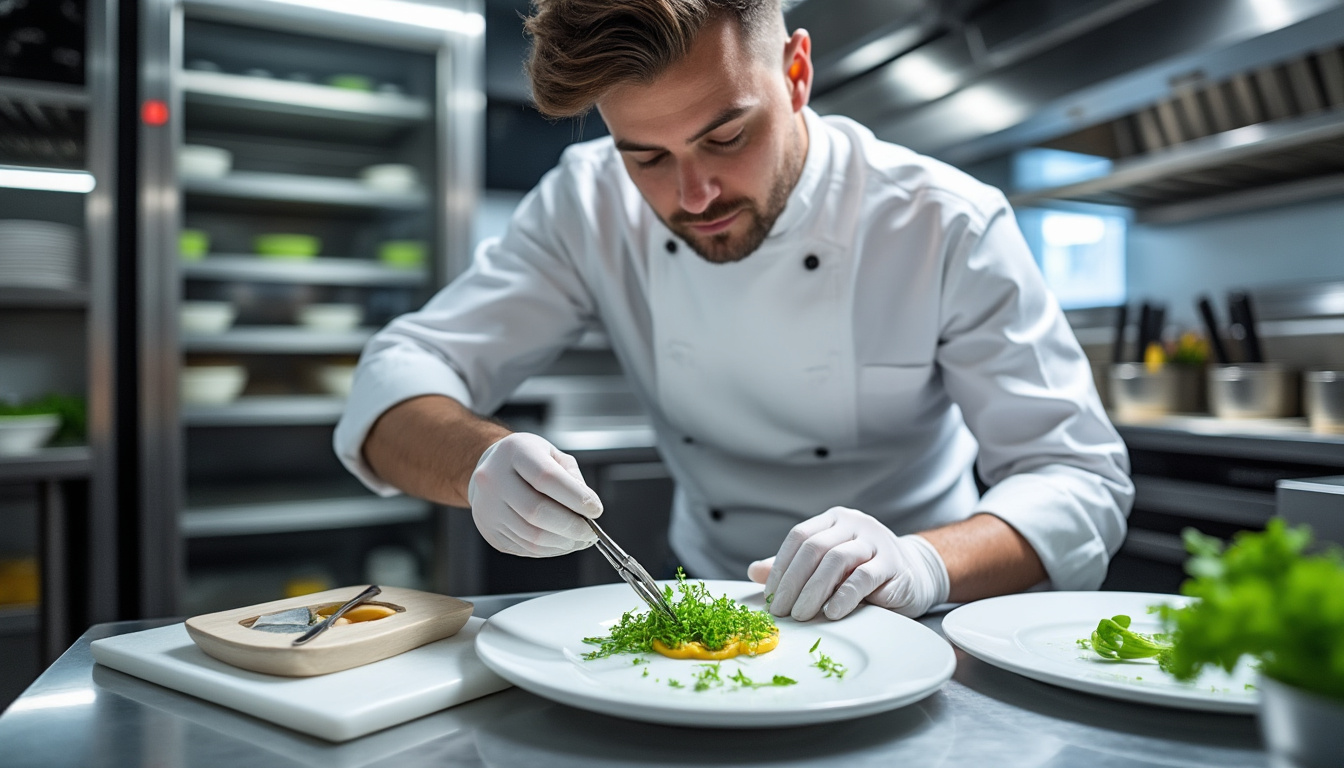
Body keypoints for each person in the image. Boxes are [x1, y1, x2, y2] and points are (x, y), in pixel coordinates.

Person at [334, 0, 1133, 622]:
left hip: (920, 621)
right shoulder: (585, 203)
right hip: (699, 600)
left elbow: (1077, 477)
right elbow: (396, 377)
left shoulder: (943, 220)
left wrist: (922, 564)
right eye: (645, 156)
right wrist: (477, 462)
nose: (693, 196)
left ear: (796, 73)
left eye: (726, 136)